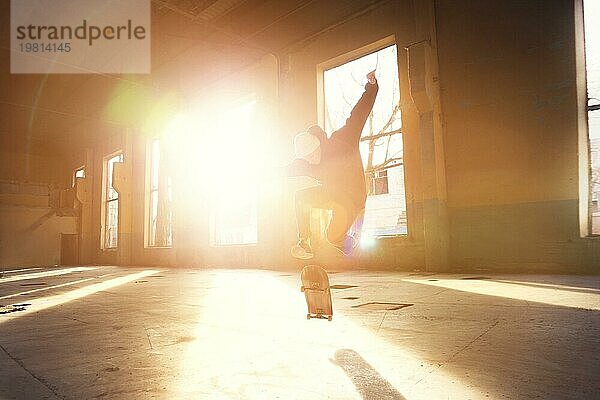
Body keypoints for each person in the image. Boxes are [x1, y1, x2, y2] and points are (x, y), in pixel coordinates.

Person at [286, 70, 378, 259]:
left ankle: (350, 243)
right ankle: (305, 242)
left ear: (318, 144)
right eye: (306, 159)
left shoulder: (343, 140)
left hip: (353, 196)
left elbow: (358, 115)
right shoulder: (307, 163)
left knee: (333, 238)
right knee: (300, 197)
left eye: (312, 155)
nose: (311, 161)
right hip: (333, 196)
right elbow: (284, 170)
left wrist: (371, 87)